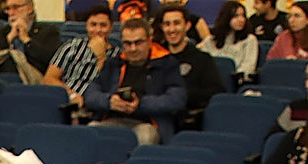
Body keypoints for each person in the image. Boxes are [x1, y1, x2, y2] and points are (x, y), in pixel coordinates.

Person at [84, 17, 187, 145]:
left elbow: (177, 99)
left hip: (148, 124)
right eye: (128, 43)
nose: (133, 48)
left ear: (150, 41)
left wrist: (140, 104)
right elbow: (90, 94)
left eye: (138, 43)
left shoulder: (166, 64)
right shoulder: (114, 63)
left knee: (145, 136)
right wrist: (109, 101)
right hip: (113, 119)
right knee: (90, 131)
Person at [43, 4, 119, 108]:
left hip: (95, 104)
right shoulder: (72, 46)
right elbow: (49, 78)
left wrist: (101, 57)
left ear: (111, 27)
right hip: (65, 98)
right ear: (87, 26)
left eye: (103, 25)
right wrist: (72, 95)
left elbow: (107, 86)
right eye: (93, 24)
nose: (98, 30)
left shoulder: (117, 54)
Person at [156, 2, 225, 116]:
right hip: (157, 115)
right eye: (167, 24)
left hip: (187, 117)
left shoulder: (202, 59)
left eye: (177, 23)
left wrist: (181, 95)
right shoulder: (156, 56)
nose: (172, 29)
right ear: (162, 27)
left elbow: (215, 91)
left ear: (187, 26)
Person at [0, 0, 61, 78]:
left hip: (34, 82)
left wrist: (26, 39)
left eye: (16, 7)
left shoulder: (48, 31)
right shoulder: (2, 32)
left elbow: (51, 61)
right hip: (3, 79)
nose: (11, 13)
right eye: (8, 8)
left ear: (30, 8)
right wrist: (9, 38)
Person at [200, 0, 259, 81]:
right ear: (226, 18)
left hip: (236, 81)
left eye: (243, 16)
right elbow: (203, 65)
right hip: (211, 80)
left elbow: (248, 67)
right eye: (236, 16)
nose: (241, 20)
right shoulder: (210, 41)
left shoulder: (249, 40)